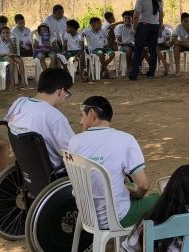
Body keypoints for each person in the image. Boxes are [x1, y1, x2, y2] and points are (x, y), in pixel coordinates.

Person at [67, 96, 157, 229]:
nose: (80, 121)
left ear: (91, 114)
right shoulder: (126, 140)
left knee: (127, 184)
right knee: (161, 199)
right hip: (117, 217)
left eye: (82, 116)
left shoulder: (74, 141)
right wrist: (137, 195)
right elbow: (143, 185)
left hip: (88, 216)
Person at [4, 68, 75, 169]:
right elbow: (71, 150)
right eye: (66, 93)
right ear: (60, 91)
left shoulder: (19, 103)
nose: (65, 98)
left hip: (27, 166)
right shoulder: (54, 116)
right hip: (52, 171)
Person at [130, 0, 164, 80]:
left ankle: (134, 74)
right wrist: (160, 27)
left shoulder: (141, 0)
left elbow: (136, 16)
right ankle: (151, 73)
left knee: (138, 50)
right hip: (155, 27)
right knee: (153, 50)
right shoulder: (159, 0)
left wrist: (135, 28)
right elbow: (161, 15)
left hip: (144, 26)